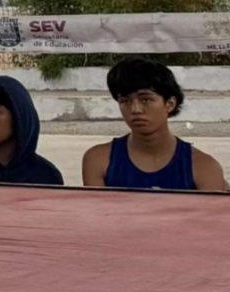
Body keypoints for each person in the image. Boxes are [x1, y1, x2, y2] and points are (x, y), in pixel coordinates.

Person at [83, 58, 226, 193]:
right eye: (125, 101)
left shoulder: (204, 168)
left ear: (170, 103)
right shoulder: (98, 160)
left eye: (145, 100)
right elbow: (96, 210)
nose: (135, 109)